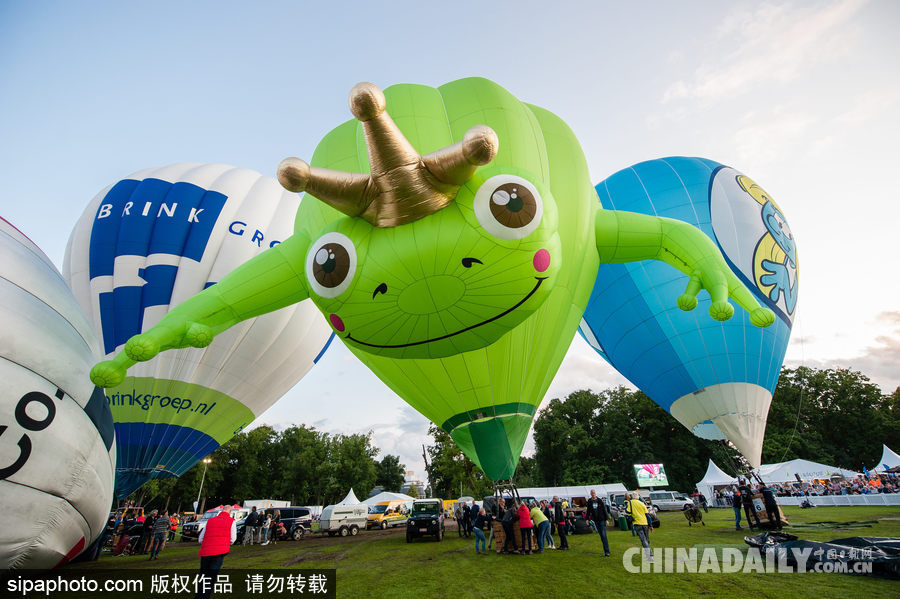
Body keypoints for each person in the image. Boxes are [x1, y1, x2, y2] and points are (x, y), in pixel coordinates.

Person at [196, 505, 236, 599]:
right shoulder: (231, 521)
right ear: (230, 512)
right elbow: (233, 539)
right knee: (211, 576)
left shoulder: (210, 520)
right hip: (219, 551)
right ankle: (205, 596)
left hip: (206, 550)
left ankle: (199, 596)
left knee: (203, 575)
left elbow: (200, 538)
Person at [625, 493, 652, 561]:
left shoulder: (630, 502)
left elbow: (627, 511)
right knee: (646, 540)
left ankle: (650, 555)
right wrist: (651, 525)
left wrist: (630, 516)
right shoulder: (642, 503)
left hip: (637, 523)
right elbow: (647, 515)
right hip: (645, 523)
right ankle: (649, 554)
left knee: (643, 540)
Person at [586, 489, 611, 557]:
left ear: (595, 493)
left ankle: (607, 551)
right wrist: (587, 519)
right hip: (596, 520)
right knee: (601, 535)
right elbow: (588, 510)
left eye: (594, 493)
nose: (593, 494)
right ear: (591, 494)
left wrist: (606, 519)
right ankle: (605, 551)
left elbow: (604, 510)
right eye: (592, 493)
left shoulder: (599, 500)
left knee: (603, 535)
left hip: (602, 519)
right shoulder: (590, 501)